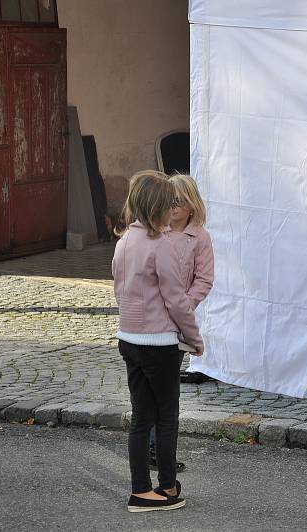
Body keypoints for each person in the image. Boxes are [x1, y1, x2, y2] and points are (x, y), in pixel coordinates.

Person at [112, 170, 204, 513]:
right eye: (169, 206)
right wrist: (194, 338)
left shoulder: (124, 242)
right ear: (159, 209)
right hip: (159, 342)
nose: (172, 211)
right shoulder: (161, 244)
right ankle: (166, 486)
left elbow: (119, 290)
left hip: (128, 338)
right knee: (167, 416)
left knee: (141, 418)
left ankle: (140, 488)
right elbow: (177, 299)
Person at [147, 173, 215, 472]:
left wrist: (185, 305)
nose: (173, 207)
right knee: (147, 390)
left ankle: (163, 453)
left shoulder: (199, 237)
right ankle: (149, 448)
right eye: (169, 201)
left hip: (176, 323)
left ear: (191, 206)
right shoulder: (155, 232)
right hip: (149, 319)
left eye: (180, 202)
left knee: (167, 392)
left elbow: (204, 278)